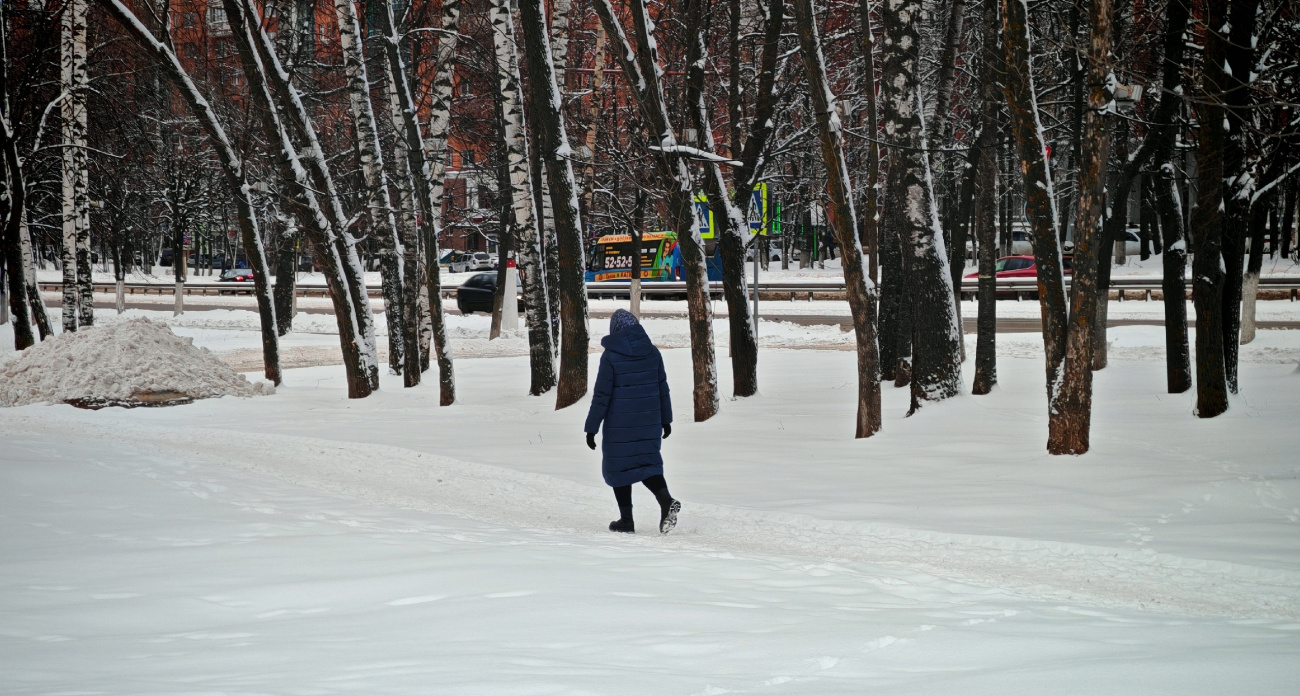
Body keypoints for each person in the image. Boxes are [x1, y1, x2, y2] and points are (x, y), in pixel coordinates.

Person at [584, 309, 680, 534]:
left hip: (620, 425)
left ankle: (626, 519)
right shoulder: (653, 353)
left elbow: (602, 396)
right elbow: (662, 389)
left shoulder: (611, 356)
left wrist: (591, 428)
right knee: (648, 463)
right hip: (649, 422)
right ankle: (666, 500)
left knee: (618, 467)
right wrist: (666, 420)